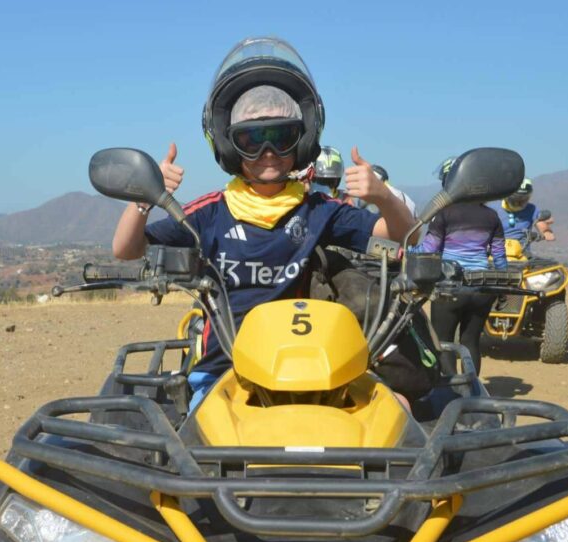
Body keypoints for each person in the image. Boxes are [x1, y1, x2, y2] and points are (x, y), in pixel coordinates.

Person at [111, 37, 416, 408]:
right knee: (204, 443)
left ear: (302, 140)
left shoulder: (317, 208)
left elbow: (404, 236)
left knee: (392, 411)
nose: (267, 153)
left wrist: (383, 196)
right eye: (251, 138)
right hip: (224, 368)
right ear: (227, 144)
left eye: (281, 137)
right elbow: (126, 250)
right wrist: (145, 197)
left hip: (306, 364)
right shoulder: (209, 213)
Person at [408, 157, 506, 377]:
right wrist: (500, 287)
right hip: (482, 288)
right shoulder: (492, 216)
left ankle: (452, 392)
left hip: (450, 288)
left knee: (442, 342)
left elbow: (429, 249)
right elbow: (499, 257)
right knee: (471, 341)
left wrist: (406, 251)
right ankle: (472, 389)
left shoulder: (444, 213)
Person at [488, 178, 555, 260]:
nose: (519, 203)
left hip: (523, 255)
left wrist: (546, 232)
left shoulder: (531, 209)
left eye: (523, 200)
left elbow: (540, 222)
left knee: (553, 270)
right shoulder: (493, 208)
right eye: (515, 200)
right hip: (494, 254)